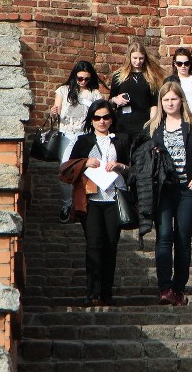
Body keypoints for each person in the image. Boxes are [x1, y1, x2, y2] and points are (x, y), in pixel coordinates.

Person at [143, 82, 192, 306]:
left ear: (181, 100)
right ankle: (164, 288)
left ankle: (178, 288)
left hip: (187, 190)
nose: (169, 103)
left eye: (173, 99)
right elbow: (141, 156)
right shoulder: (153, 127)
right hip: (164, 191)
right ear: (161, 102)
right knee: (164, 237)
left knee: (182, 239)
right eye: (166, 100)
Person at [64, 100, 131, 306]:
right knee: (94, 245)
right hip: (91, 199)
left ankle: (106, 293)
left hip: (113, 197)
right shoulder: (84, 141)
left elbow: (132, 167)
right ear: (91, 120)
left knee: (111, 246)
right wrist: (85, 162)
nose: (102, 121)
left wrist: (120, 166)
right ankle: (92, 293)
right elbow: (68, 169)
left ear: (112, 119)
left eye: (106, 117)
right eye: (97, 118)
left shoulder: (121, 139)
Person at [51, 61, 103, 224]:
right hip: (67, 133)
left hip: (86, 135)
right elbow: (56, 110)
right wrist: (53, 112)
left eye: (86, 79)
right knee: (65, 168)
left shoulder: (95, 94)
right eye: (80, 78)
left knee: (86, 171)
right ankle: (67, 204)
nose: (83, 82)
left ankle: (83, 207)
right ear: (74, 76)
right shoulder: (63, 90)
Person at [109, 41, 166, 139]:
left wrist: (152, 125)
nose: (138, 61)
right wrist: (116, 100)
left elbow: (153, 104)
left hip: (143, 123)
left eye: (141, 58)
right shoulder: (119, 76)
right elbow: (110, 101)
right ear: (129, 57)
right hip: (123, 122)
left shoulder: (151, 77)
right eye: (135, 58)